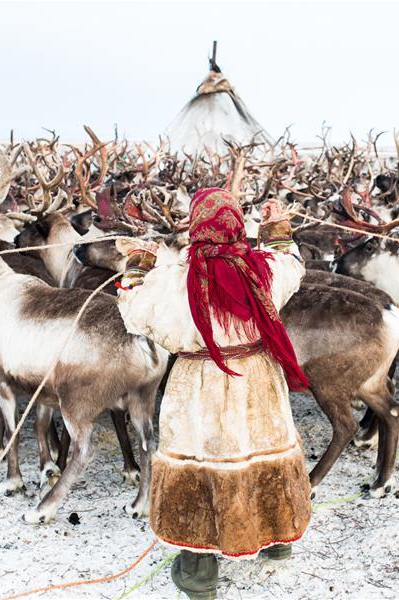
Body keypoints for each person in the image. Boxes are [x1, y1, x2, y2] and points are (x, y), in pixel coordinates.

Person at [116, 188, 312, 599]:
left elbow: (135, 310)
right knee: (262, 452)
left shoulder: (173, 281)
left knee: (201, 465)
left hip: (198, 385)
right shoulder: (264, 270)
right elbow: (291, 262)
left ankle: (198, 575)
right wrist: (276, 225)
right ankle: (275, 544)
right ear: (238, 224)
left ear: (196, 226)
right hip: (257, 377)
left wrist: (139, 262)